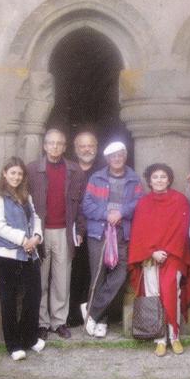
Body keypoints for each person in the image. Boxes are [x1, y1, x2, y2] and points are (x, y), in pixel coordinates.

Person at [128, 163, 190, 357]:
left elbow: (181, 232)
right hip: (150, 257)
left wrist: (166, 251)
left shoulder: (180, 201)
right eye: (155, 177)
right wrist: (152, 252)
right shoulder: (143, 203)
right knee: (154, 293)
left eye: (163, 177)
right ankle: (160, 339)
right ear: (149, 181)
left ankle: (174, 336)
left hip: (173, 256)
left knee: (171, 292)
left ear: (169, 179)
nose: (159, 180)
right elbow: (139, 233)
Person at [27, 128, 86, 341]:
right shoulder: (32, 169)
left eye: (59, 143)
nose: (55, 147)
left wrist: (79, 229)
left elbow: (80, 204)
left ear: (65, 146)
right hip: (40, 232)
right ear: (44, 146)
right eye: (51, 143)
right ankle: (42, 323)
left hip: (64, 231)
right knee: (41, 279)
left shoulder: (74, 170)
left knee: (62, 280)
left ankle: (58, 322)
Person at [82, 141, 144, 338]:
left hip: (122, 232)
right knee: (99, 275)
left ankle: (92, 312)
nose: (117, 159)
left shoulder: (134, 179)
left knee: (120, 271)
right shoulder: (96, 178)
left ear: (125, 156)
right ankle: (101, 321)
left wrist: (122, 212)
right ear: (108, 159)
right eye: (113, 156)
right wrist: (106, 214)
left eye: (120, 155)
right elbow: (87, 205)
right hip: (99, 232)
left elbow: (139, 203)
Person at [0, 157, 44, 360]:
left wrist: (37, 237)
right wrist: (23, 240)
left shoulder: (25, 196)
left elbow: (36, 218)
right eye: (13, 173)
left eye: (20, 174)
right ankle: (13, 345)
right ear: (5, 173)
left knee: (33, 296)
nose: (16, 177)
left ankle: (29, 338)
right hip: (8, 256)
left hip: (30, 254)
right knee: (9, 300)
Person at [67, 130, 104, 326]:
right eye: (82, 145)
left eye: (91, 145)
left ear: (97, 148)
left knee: (95, 273)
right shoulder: (69, 169)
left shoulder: (103, 170)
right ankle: (74, 315)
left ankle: (93, 314)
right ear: (75, 149)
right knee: (75, 272)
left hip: (97, 229)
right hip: (74, 229)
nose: (87, 149)